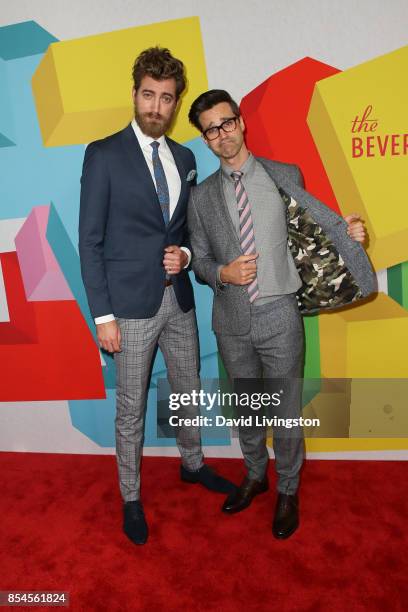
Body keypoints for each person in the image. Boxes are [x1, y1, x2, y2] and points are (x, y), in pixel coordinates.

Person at [187, 89, 376, 539]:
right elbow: (197, 260)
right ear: (205, 139)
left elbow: (312, 237)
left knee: (286, 412)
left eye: (227, 122)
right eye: (211, 129)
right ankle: (255, 475)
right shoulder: (201, 197)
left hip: (280, 315)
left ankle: (288, 489)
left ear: (241, 122)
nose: (222, 134)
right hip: (231, 321)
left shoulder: (284, 174)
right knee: (249, 411)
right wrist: (221, 272)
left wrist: (347, 235)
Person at [78, 52, 234, 547]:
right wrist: (103, 316)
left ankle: (193, 466)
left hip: (179, 301)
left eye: (166, 98)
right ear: (135, 93)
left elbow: (186, 230)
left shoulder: (185, 158)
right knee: (131, 408)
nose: (157, 105)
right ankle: (130, 496)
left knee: (186, 391)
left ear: (175, 102)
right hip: (128, 308)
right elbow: (91, 242)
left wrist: (186, 255)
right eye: (149, 94)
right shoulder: (103, 154)